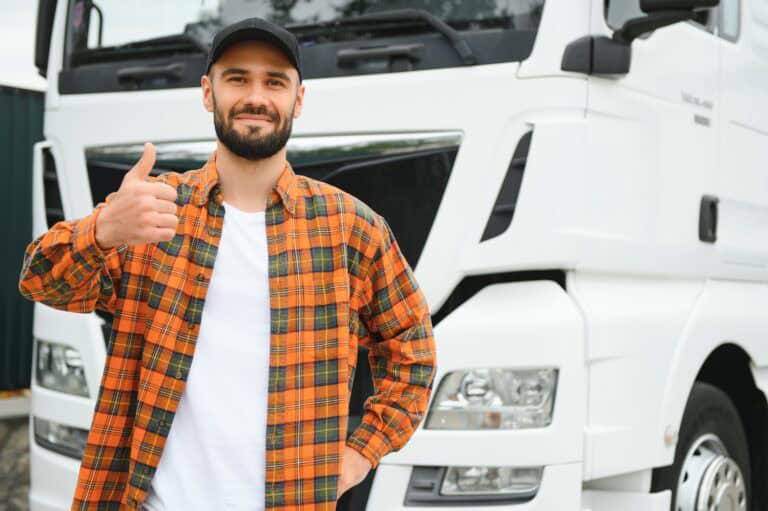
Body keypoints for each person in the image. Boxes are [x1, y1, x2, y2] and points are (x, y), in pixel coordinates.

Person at [18, 17, 436, 511]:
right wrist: (103, 230)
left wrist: (360, 455)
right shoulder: (153, 211)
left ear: (298, 99)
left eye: (274, 81)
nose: (255, 96)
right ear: (207, 92)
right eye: (237, 78)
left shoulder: (351, 229)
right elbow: (41, 282)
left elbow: (413, 352)